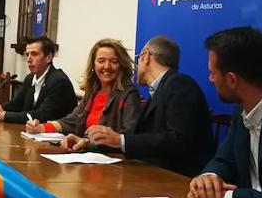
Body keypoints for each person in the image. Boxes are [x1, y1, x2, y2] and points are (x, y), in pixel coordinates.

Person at [187, 27, 262, 198]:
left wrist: (230, 197)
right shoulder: (242, 108)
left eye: (212, 73)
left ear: (232, 79)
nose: (210, 79)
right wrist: (208, 179)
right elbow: (225, 160)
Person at [85, 36, 214, 177]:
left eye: (138, 59)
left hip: (177, 179)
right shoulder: (160, 90)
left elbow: (178, 140)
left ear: (145, 56)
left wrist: (120, 140)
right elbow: (138, 137)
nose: (137, 66)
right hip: (154, 173)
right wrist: (87, 142)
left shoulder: (178, 84)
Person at [26, 38, 141, 150]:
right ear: (93, 65)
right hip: (86, 157)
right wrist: (41, 127)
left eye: (114, 61)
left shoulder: (129, 94)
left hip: (114, 163)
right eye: (101, 61)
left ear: (121, 65)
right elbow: (73, 119)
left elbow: (129, 137)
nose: (107, 66)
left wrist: (86, 142)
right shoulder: (93, 92)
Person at [0, 36, 76, 123]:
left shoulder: (58, 81)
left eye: (34, 54)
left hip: (58, 138)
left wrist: (3, 115)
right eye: (27, 54)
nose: (28, 59)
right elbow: (16, 105)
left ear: (48, 58)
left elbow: (43, 115)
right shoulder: (30, 78)